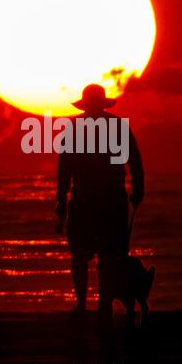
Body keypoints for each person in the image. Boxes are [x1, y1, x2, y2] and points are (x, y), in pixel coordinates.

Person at [55, 84, 144, 325]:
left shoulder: (74, 128)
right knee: (108, 255)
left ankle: (85, 306)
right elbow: (134, 161)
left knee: (83, 256)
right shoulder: (116, 126)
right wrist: (138, 190)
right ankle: (101, 305)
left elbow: (64, 169)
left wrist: (61, 201)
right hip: (110, 199)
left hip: (86, 199)